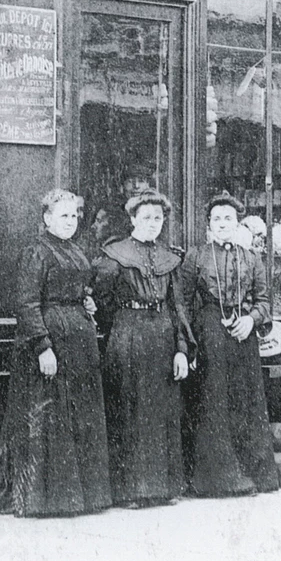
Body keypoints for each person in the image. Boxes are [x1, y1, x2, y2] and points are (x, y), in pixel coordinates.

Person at [0, 190, 111, 517]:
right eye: (63, 215)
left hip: (79, 343)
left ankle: (81, 498)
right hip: (51, 342)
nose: (70, 221)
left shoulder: (77, 251)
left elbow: (79, 291)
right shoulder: (36, 252)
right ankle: (47, 499)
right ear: (47, 218)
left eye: (74, 216)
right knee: (50, 418)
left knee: (77, 416)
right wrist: (43, 347)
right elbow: (27, 304)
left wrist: (86, 302)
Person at [94, 190, 195, 507]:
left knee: (163, 412)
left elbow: (178, 308)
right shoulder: (115, 255)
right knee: (128, 409)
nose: (153, 223)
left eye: (158, 218)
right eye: (147, 217)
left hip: (164, 339)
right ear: (133, 219)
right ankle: (130, 491)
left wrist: (181, 348)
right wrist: (123, 327)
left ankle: (163, 488)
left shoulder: (170, 259)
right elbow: (102, 302)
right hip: (128, 338)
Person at [182, 192, 278, 497]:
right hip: (210, 333)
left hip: (244, 333)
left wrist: (251, 320)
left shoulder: (252, 258)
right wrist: (189, 342)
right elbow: (183, 303)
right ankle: (219, 479)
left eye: (228, 218)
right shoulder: (196, 256)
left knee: (244, 400)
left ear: (237, 224)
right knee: (215, 401)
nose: (222, 224)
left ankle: (254, 474)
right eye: (216, 219)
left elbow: (264, 302)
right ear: (208, 225)